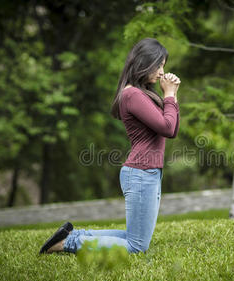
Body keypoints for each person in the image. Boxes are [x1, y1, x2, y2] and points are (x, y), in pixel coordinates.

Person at [39, 37, 180, 254]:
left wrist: (173, 97)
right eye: (159, 64)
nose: (162, 72)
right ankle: (68, 244)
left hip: (146, 172)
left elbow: (172, 129)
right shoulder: (132, 94)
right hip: (141, 173)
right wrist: (169, 95)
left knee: (134, 239)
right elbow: (167, 128)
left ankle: (74, 236)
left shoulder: (141, 94)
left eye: (163, 65)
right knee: (136, 247)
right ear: (144, 62)